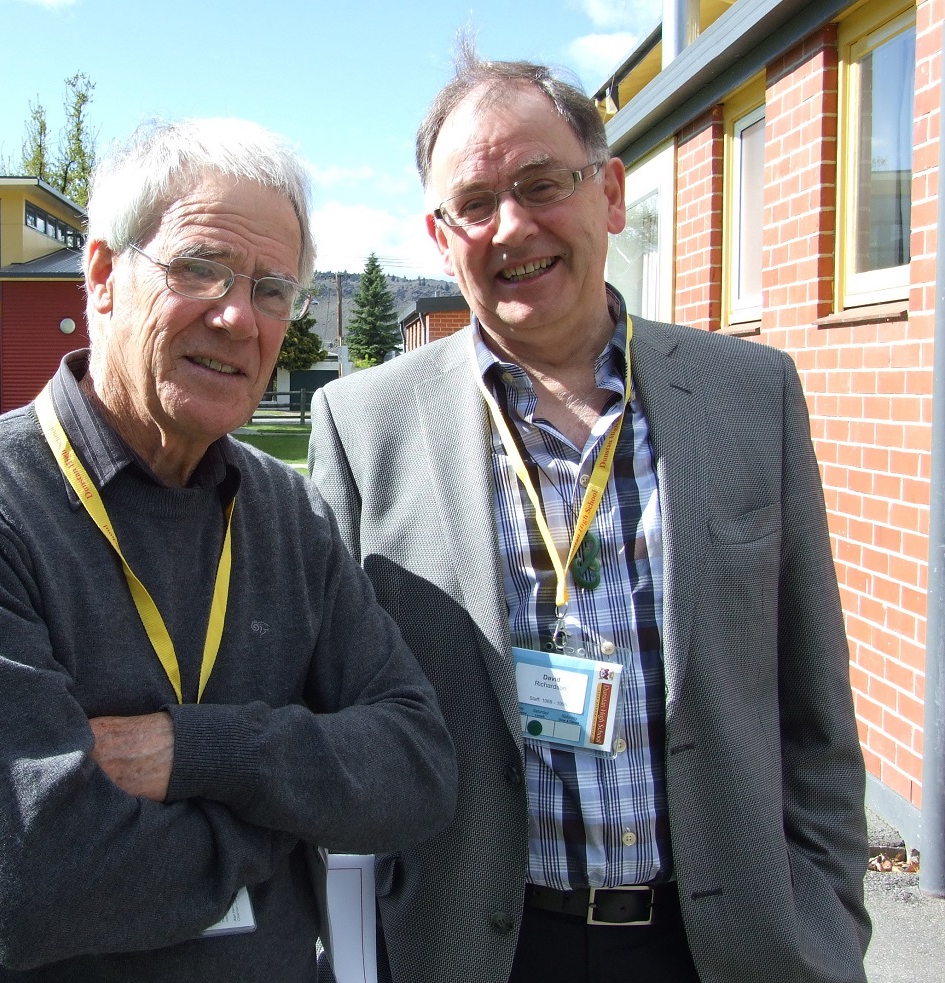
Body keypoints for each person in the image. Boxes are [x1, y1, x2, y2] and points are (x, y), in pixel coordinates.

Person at [309, 47, 870, 983]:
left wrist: (822, 918)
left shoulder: (750, 393)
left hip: (724, 949)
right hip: (475, 949)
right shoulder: (364, 426)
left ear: (608, 193)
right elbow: (333, 716)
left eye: (541, 183)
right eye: (475, 204)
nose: (512, 226)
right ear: (441, 237)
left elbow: (816, 709)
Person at [0, 117, 456, 982]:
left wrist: (206, 752)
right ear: (102, 277)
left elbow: (415, 767)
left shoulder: (286, 512)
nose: (236, 316)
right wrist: (292, 811)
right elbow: (33, 887)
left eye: (272, 289)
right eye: (199, 267)